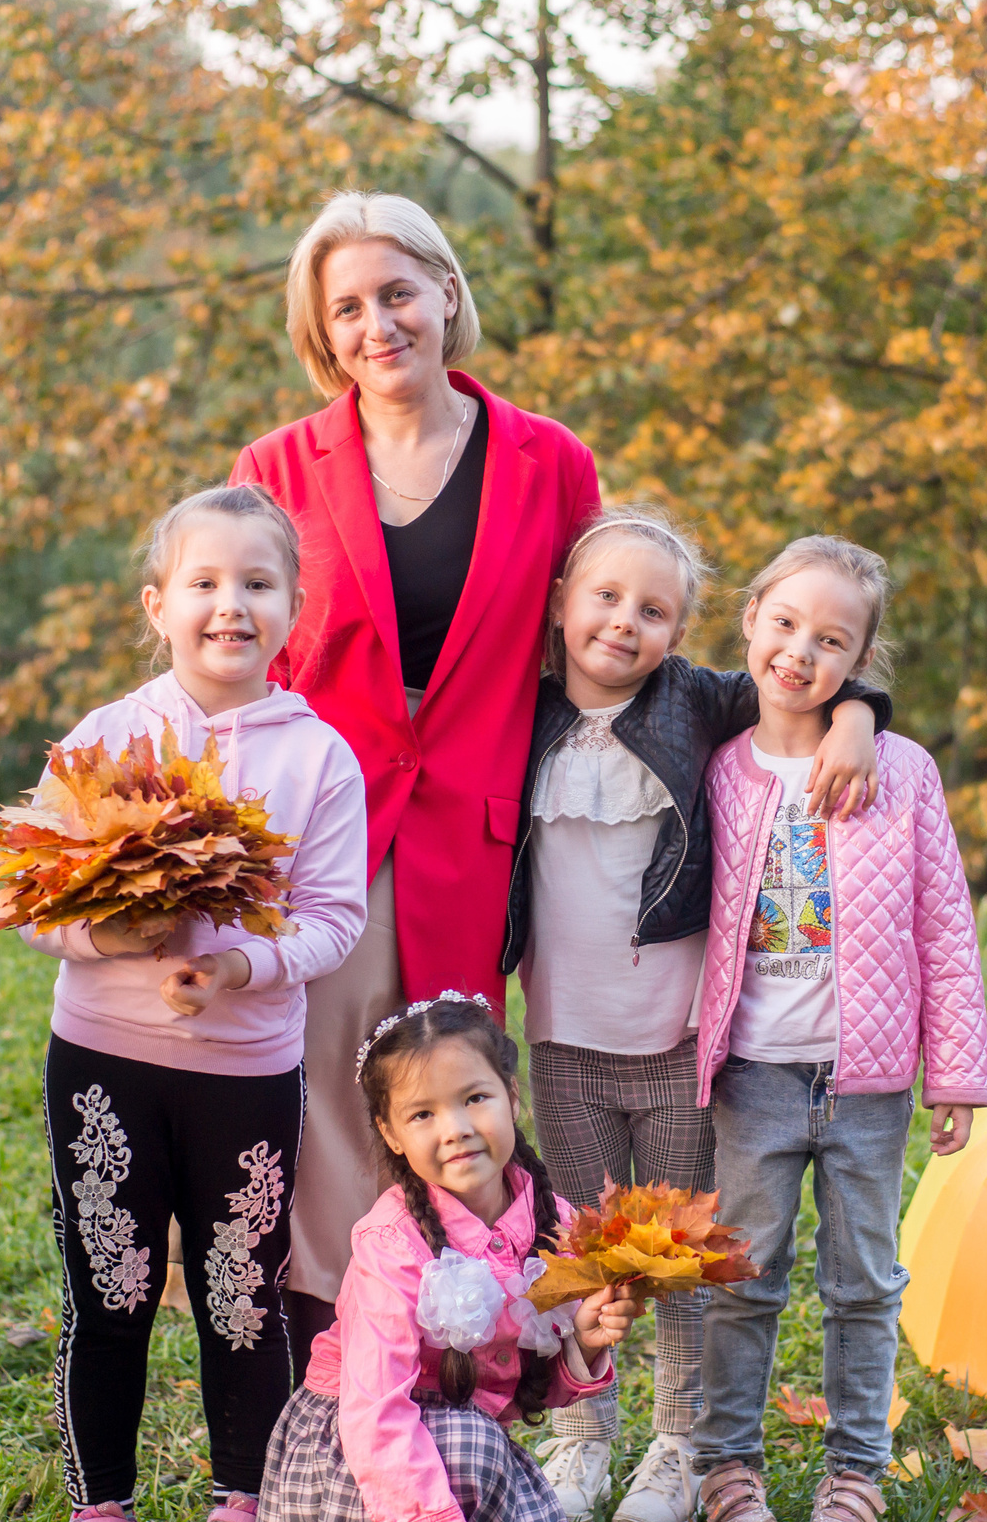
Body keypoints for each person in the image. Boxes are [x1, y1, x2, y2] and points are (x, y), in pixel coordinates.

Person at [230, 188, 877, 1374]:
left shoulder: (547, 461)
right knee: (330, 1088)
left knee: (456, 1098)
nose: (380, 324)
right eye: (350, 308)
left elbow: (619, 647)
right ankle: (337, 1358)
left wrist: (858, 707)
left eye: (399, 294)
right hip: (329, 819)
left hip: (479, 830)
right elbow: (241, 651)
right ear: (323, 332)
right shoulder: (275, 465)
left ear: (447, 295)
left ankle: (463, 1358)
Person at [500, 507, 893, 1522]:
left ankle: (677, 1447)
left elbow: (805, 692)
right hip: (563, 1037)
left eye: (655, 610)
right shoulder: (519, 709)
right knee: (584, 1249)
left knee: (677, 1259)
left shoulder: (694, 702)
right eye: (606, 598)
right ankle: (583, 1437)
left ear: (683, 630)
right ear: (559, 604)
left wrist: (860, 718)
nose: (625, 623)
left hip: (679, 1041)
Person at [22, 485, 368, 1522]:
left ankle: (242, 1510)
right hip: (106, 1068)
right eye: (205, 584)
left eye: (257, 585)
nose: (232, 606)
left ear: (293, 610)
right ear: (157, 605)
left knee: (241, 1292)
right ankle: (101, 1514)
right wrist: (101, 931)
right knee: (110, 1288)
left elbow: (334, 918)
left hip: (244, 1072)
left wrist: (240, 966)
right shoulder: (103, 740)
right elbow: (37, 901)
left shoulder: (321, 760)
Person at [685, 536, 987, 1522]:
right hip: (754, 1078)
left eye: (830, 641)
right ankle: (727, 1473)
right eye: (783, 625)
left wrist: (953, 1070)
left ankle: (854, 1478)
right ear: (751, 620)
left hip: (865, 1082)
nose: (799, 652)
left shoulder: (899, 771)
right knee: (744, 1279)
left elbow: (943, 926)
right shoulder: (720, 768)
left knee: (864, 1283)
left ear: (858, 661)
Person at [247, 995, 646, 1522]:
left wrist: (584, 1340)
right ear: (391, 1131)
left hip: (461, 1436)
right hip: (358, 1446)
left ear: (511, 1095)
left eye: (474, 1098)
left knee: (473, 1444)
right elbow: (375, 1414)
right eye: (424, 1113)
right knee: (463, 1444)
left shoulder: (554, 1224)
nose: (456, 1127)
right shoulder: (392, 1242)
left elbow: (528, 1390)